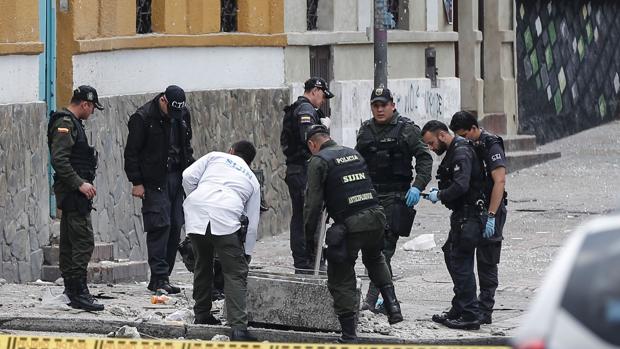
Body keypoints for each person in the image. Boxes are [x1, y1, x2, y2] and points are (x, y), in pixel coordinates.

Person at [303, 125, 403, 343]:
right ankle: (393, 307)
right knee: (375, 258)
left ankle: (349, 335)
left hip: (350, 224)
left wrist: (309, 236)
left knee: (340, 274)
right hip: (377, 217)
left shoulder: (318, 161)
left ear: (312, 144)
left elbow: (313, 204)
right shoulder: (353, 153)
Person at [355, 87, 433, 311]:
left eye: (383, 105)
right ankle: (389, 301)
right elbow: (358, 161)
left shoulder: (407, 130)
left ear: (393, 105)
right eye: (375, 105)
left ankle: (372, 300)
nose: (379, 109)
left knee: (383, 250)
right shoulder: (365, 131)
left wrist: (418, 187)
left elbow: (424, 160)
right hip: (370, 197)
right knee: (369, 248)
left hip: (396, 197)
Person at [182, 141, 260, 341]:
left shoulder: (214, 156)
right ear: (250, 162)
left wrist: (199, 199)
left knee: (202, 264)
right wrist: (247, 252)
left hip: (196, 209)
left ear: (231, 150)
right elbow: (251, 222)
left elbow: (187, 176)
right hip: (226, 215)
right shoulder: (252, 179)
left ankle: (202, 315)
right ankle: (239, 329)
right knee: (235, 272)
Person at [124, 85, 195, 294]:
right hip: (155, 179)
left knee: (175, 226)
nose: (174, 116)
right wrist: (136, 182)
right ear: (163, 100)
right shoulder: (143, 118)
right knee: (159, 226)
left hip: (177, 176)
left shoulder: (182, 115)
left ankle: (165, 276)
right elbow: (131, 153)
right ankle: (158, 277)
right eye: (171, 111)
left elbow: (186, 146)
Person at [421, 120, 487, 330]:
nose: (431, 148)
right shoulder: (454, 151)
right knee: (450, 253)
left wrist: (439, 195)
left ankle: (470, 315)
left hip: (469, 217)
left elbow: (461, 185)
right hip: (461, 215)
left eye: (431, 143)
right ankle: (460, 308)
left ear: (441, 135)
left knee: (461, 263)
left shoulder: (461, 152)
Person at [47, 85, 105, 311]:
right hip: (73, 192)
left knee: (70, 242)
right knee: (82, 241)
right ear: (85, 104)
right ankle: (78, 290)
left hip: (73, 190)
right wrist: (80, 183)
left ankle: (72, 289)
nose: (91, 113)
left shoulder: (72, 123)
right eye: (92, 108)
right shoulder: (65, 123)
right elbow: (59, 160)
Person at [448, 111, 507, 324]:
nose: (463, 139)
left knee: (487, 260)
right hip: (473, 210)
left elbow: (499, 182)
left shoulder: (491, 144)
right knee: (456, 254)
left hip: (492, 209)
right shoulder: (468, 146)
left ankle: (485, 310)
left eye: (465, 134)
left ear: (474, 129)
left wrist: (492, 215)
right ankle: (464, 304)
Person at [280, 77, 334, 273]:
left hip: (299, 170)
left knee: (304, 216)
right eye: (322, 96)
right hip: (303, 170)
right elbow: (310, 139)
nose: (323, 101)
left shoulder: (300, 108)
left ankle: (307, 261)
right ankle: (307, 262)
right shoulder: (305, 110)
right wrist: (324, 128)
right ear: (316, 91)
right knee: (308, 216)